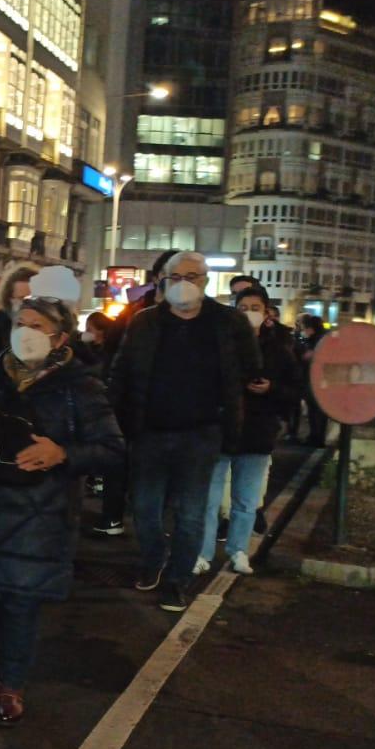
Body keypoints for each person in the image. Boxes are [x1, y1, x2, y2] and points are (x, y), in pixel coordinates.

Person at [0, 296, 125, 725]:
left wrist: (62, 452)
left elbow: (111, 449)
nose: (24, 332)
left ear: (60, 337)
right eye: (19, 323)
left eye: (36, 325)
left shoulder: (81, 388)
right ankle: (11, 657)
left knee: (22, 602)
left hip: (40, 516)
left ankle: (11, 684)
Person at [108, 251, 261, 612]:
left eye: (192, 277)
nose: (184, 284)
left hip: (201, 433)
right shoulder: (144, 322)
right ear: (163, 280)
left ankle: (178, 579)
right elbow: (121, 373)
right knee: (145, 508)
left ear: (206, 282)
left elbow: (252, 365)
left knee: (192, 513)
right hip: (149, 431)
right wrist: (114, 422)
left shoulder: (228, 322)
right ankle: (153, 559)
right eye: (176, 277)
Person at [196, 286, 301, 575]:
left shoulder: (279, 350)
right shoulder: (220, 345)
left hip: (257, 433)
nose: (249, 314)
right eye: (243, 308)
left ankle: (238, 551)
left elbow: (295, 391)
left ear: (267, 313)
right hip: (219, 431)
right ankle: (202, 552)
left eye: (255, 308)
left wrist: (271, 389)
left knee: (246, 501)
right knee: (209, 499)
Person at [296, 314, 328, 447]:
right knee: (316, 411)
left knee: (316, 411)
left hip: (316, 380)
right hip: (319, 380)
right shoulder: (323, 339)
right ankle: (316, 436)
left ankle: (316, 437)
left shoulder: (317, 341)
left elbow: (309, 357)